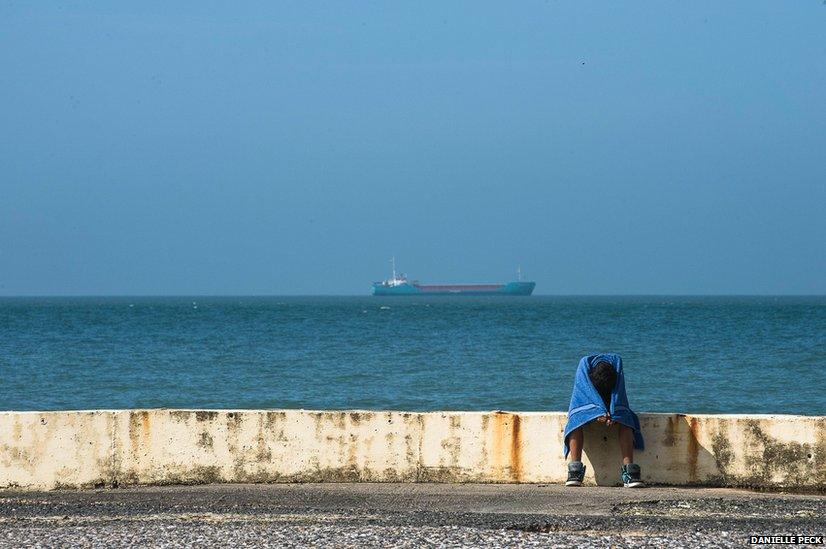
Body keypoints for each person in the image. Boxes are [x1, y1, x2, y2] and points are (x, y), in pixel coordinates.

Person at [562, 353, 645, 488]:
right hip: (588, 402)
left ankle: (629, 472)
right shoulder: (584, 365)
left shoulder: (616, 363)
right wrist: (596, 412)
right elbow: (582, 393)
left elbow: (619, 394)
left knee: (626, 420)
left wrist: (614, 413)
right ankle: (574, 470)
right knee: (575, 420)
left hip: (611, 400)